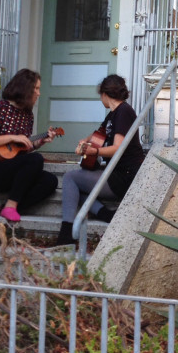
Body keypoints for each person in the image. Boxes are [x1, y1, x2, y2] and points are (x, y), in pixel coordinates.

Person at [56, 74, 144, 245]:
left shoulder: (124, 112)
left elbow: (118, 148)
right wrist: (84, 142)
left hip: (126, 176)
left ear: (104, 94)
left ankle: (67, 233)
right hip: (115, 173)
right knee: (77, 185)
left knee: (70, 178)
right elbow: (98, 134)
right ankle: (105, 214)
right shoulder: (113, 114)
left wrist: (95, 151)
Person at [0, 68, 58, 223]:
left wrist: (39, 142)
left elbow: (21, 148)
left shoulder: (28, 115)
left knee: (50, 181)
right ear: (25, 88)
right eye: (36, 89)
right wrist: (11, 137)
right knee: (36, 159)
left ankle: (3, 208)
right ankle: (11, 206)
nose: (39, 93)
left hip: (15, 170)